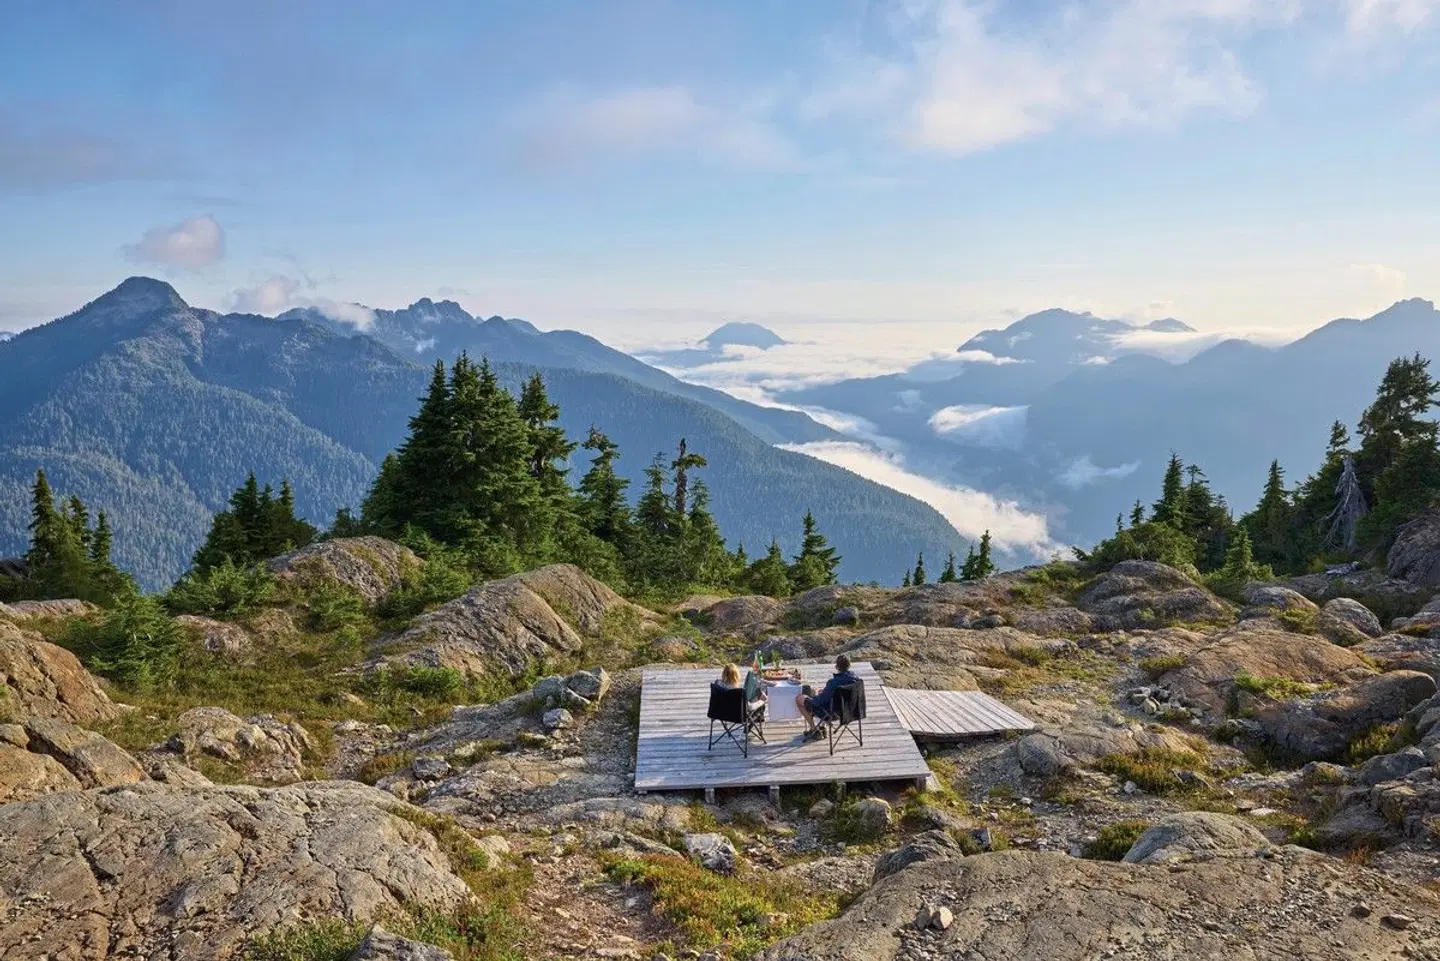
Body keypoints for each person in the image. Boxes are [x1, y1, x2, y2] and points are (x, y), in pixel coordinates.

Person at [796, 654, 858, 741]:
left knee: (800, 699)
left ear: (837, 667)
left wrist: (815, 695)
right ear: (849, 665)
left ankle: (814, 729)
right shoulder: (856, 680)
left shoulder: (833, 682)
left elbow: (820, 702)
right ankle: (822, 727)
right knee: (818, 692)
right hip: (849, 711)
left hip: (831, 714)